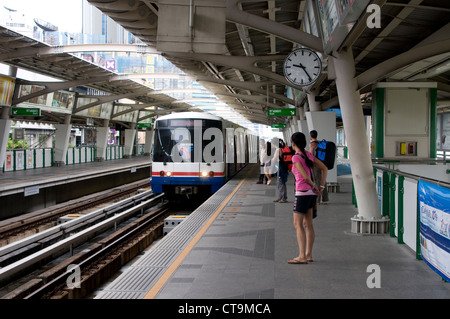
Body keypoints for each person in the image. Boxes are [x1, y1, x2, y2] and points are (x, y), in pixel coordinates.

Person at [288, 132, 327, 264]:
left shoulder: (296, 158)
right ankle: (308, 254)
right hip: (310, 194)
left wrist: (314, 185)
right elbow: (324, 168)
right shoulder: (308, 154)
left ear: (293, 142)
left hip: (302, 193)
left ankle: (301, 256)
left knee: (297, 224)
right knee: (308, 224)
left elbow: (304, 176)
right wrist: (321, 186)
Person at [309, 130, 329, 204]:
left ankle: (317, 199)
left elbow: (311, 155)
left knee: (317, 180)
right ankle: (325, 199)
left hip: (316, 164)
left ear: (310, 136)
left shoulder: (312, 144)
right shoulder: (320, 143)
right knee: (323, 180)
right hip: (323, 163)